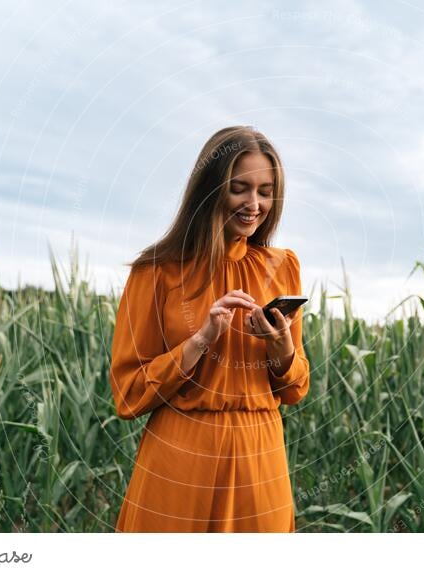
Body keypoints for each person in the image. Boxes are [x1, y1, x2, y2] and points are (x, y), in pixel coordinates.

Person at [110, 125, 310, 532]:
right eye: (240, 189)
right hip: (181, 464)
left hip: (262, 464)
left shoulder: (283, 266)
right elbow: (128, 394)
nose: (254, 204)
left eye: (266, 191)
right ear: (209, 188)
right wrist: (200, 341)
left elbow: (295, 388)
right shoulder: (157, 272)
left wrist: (281, 350)